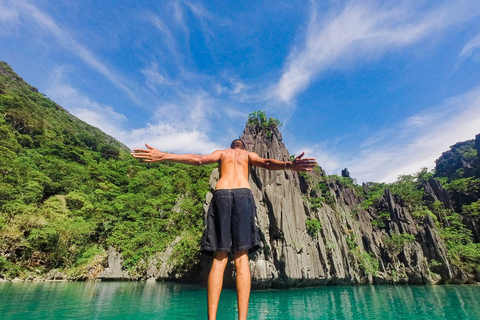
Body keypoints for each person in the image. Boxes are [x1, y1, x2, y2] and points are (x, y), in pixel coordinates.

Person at [131, 139, 317, 320]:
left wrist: (165, 156)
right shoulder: (248, 154)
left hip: (221, 195)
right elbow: (267, 163)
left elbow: (199, 160)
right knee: (242, 259)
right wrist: (289, 165)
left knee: (219, 259)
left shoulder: (222, 153)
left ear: (232, 147)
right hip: (243, 195)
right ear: (242, 147)